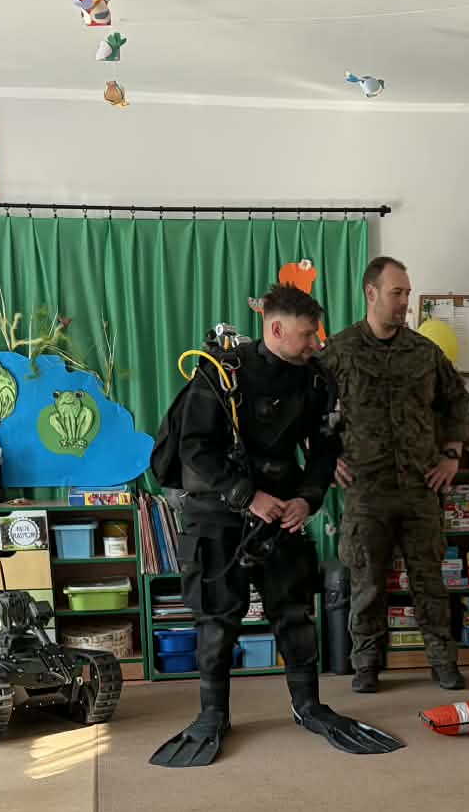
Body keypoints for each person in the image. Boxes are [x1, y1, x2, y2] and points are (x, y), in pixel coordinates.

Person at [151, 288, 402, 766]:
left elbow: (326, 449)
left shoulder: (316, 379)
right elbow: (194, 449)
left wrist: (308, 499)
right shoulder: (221, 373)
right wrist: (248, 496)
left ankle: (308, 705)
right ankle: (212, 714)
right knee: (217, 620)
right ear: (277, 329)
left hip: (284, 510)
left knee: (294, 613)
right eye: (307, 335)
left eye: (316, 334)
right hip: (219, 512)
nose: (315, 343)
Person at [323, 255, 469, 693]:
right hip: (366, 489)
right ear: (371, 293)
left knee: (430, 581)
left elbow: (457, 400)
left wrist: (452, 454)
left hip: (419, 487)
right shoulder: (340, 351)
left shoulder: (424, 353)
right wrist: (324, 458)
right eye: (397, 292)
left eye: (407, 292)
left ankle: (442, 661)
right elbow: (306, 409)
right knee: (367, 582)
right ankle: (367, 663)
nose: (405, 301)